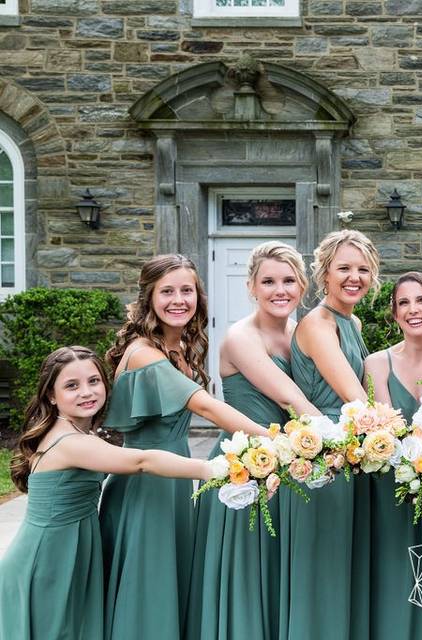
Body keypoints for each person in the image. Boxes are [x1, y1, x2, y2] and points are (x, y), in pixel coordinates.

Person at [100, 254, 268, 640]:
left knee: (170, 586)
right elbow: (206, 406)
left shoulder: (180, 348)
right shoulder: (144, 352)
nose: (179, 300)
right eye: (167, 291)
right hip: (144, 485)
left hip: (173, 482)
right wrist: (273, 438)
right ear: (149, 299)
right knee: (148, 593)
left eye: (187, 290)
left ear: (199, 297)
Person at [0, 346, 214, 640]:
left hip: (68, 548)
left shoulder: (80, 432)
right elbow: (142, 461)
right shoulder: (69, 441)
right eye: (71, 386)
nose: (86, 392)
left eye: (94, 381)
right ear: (51, 395)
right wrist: (211, 469)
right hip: (48, 558)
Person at [187, 241, 321, 640]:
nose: (279, 290)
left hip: (290, 467)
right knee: (247, 574)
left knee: (281, 571)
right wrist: (349, 436)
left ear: (302, 285)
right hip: (244, 469)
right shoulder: (239, 338)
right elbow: (290, 399)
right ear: (251, 287)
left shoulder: (301, 334)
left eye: (288, 280)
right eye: (268, 281)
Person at [279, 230, 377, 640]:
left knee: (344, 565)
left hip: (352, 454)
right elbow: (355, 399)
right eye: (344, 268)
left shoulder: (350, 321)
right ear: (324, 273)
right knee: (323, 569)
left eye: (363, 269)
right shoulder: (317, 324)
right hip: (323, 459)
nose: (354, 277)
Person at [363, 271, 422, 640]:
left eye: (421, 301)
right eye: (403, 303)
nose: (413, 310)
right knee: (393, 576)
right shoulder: (377, 364)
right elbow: (387, 427)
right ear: (395, 315)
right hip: (389, 489)